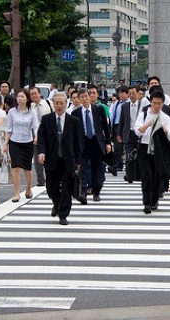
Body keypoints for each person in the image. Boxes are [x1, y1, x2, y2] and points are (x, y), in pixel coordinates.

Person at [37, 93, 82, 225]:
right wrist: (41, 152)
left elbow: (78, 143)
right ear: (53, 104)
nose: (59, 106)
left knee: (67, 189)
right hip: (51, 159)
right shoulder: (46, 120)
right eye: (56, 103)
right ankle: (56, 204)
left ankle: (63, 214)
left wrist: (78, 160)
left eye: (61, 103)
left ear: (65, 103)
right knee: (51, 188)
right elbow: (41, 139)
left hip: (68, 160)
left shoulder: (74, 121)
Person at [135, 90, 170, 214]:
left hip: (159, 150)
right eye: (154, 103)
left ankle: (154, 200)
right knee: (146, 176)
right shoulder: (143, 114)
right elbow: (137, 131)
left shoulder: (166, 117)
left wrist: (164, 129)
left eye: (159, 103)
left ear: (163, 104)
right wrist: (147, 125)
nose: (156, 106)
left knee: (156, 176)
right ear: (150, 102)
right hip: (144, 148)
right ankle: (147, 202)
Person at [72, 88, 111, 203]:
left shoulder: (98, 109)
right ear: (79, 99)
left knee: (97, 169)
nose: (84, 99)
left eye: (86, 96)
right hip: (83, 143)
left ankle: (96, 191)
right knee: (82, 168)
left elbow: (106, 128)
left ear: (90, 97)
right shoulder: (76, 113)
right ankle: (83, 192)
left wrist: (108, 143)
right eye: (82, 97)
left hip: (96, 141)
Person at [4, 88, 39, 202]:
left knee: (27, 168)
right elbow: (8, 129)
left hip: (28, 142)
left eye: (22, 96)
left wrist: (36, 137)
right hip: (14, 142)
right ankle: (17, 193)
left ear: (27, 98)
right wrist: (5, 144)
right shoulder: (12, 112)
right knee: (15, 168)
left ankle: (28, 189)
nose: (20, 98)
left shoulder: (32, 112)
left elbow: (35, 127)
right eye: (18, 96)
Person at [117, 86, 141, 183]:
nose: (131, 96)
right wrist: (119, 134)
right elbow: (121, 121)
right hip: (129, 133)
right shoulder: (125, 106)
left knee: (139, 155)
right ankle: (129, 175)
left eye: (133, 94)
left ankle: (138, 175)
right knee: (129, 155)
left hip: (140, 134)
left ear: (138, 94)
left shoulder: (142, 106)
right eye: (130, 94)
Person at [30, 86, 52, 186]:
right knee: (37, 158)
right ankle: (40, 180)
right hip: (35, 135)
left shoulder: (48, 104)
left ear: (39, 94)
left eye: (35, 93)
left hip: (49, 134)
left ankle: (50, 177)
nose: (34, 96)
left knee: (50, 157)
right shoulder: (30, 107)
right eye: (32, 94)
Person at [110, 85, 129, 172]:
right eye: (119, 93)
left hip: (125, 126)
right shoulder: (116, 103)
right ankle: (118, 164)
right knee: (117, 147)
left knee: (125, 147)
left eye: (122, 93)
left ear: (127, 93)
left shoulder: (129, 103)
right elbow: (112, 116)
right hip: (116, 126)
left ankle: (125, 164)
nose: (120, 95)